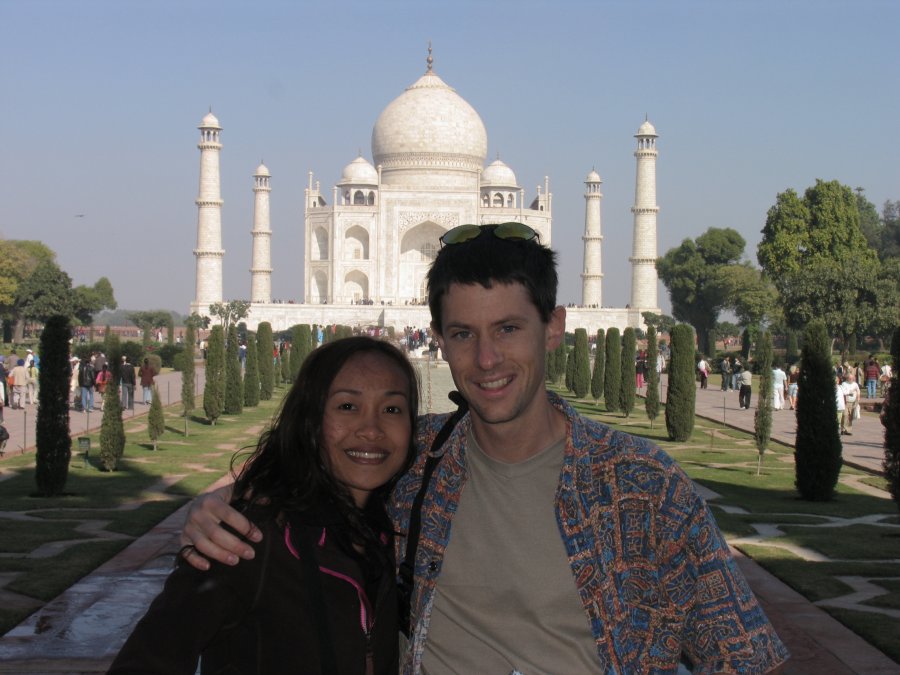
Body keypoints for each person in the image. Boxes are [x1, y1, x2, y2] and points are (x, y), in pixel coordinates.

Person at [182, 223, 788, 673]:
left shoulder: (640, 484)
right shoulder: (412, 459)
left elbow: (745, 655)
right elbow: (303, 471)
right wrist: (227, 506)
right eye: (464, 334)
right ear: (440, 341)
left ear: (554, 327)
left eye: (508, 329)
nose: (487, 359)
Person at [109, 336, 418, 674]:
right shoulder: (250, 538)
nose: (371, 430)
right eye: (347, 406)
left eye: (392, 409)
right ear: (311, 419)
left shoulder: (382, 528)